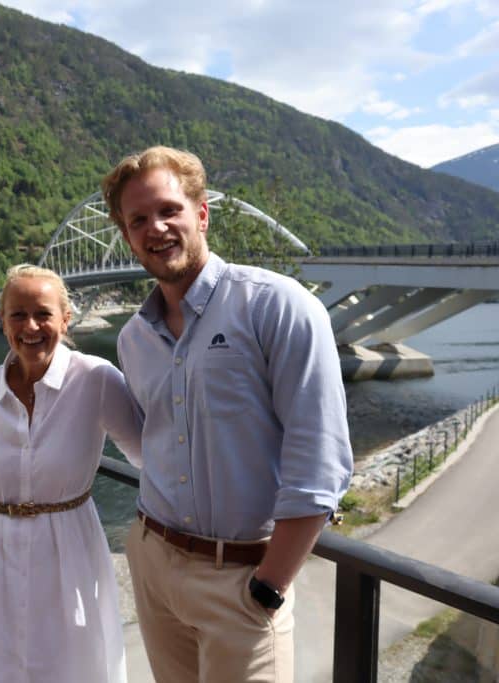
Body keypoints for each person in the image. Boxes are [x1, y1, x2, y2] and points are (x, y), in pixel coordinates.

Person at [103, 145, 353, 682]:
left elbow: (320, 460)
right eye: (138, 219)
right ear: (127, 236)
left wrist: (269, 586)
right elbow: (155, 445)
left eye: (169, 210)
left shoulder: (276, 306)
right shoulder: (133, 339)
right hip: (153, 564)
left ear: (202, 213)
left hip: (243, 579)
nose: (156, 228)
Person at [0, 264, 143, 683]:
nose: (30, 326)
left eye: (43, 314)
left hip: (69, 551)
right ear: (2, 320)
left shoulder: (96, 379)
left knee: (68, 662)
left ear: (66, 319)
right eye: (18, 314)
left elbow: (147, 456)